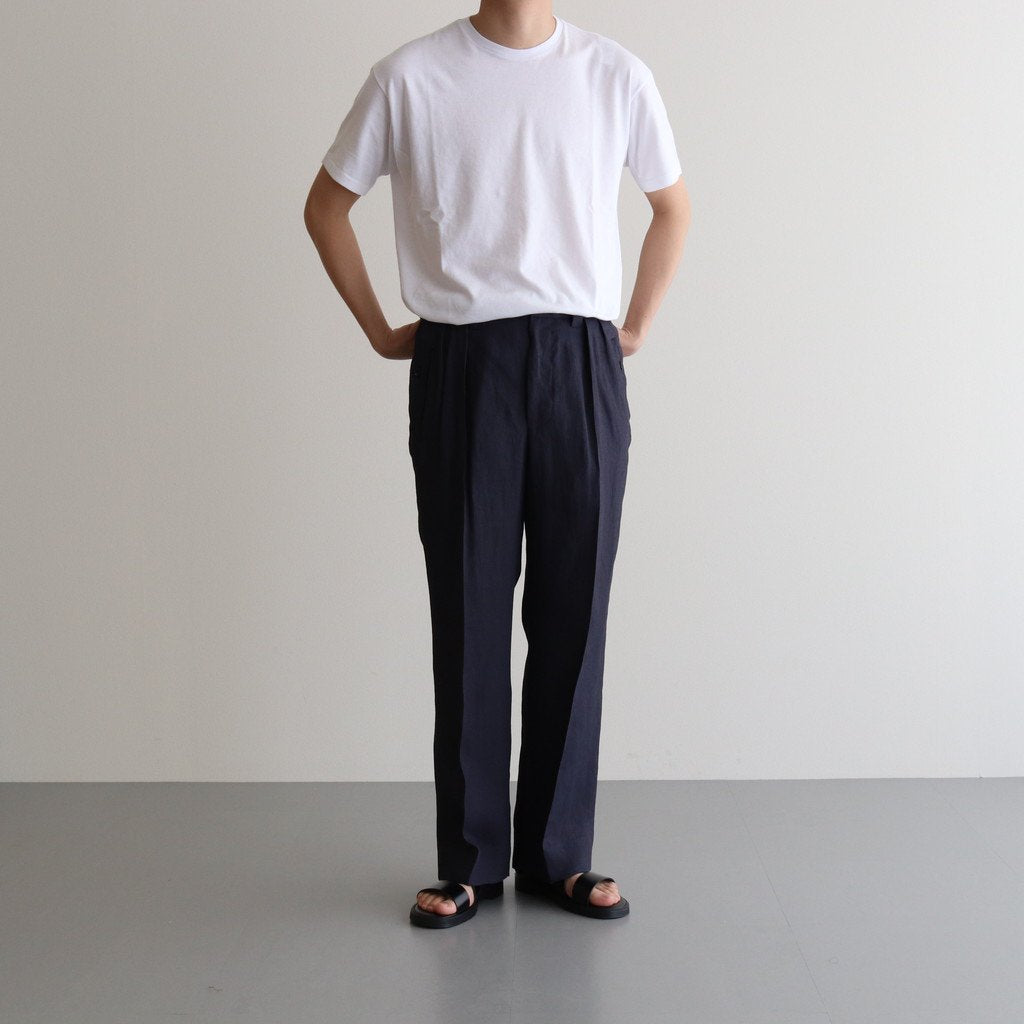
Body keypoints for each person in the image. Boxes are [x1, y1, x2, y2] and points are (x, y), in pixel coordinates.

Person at [304, 2, 691, 929]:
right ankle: (470, 860)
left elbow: (672, 204)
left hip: (580, 360)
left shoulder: (615, 75)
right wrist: (379, 330)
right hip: (463, 358)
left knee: (574, 611)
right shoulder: (409, 77)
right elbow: (325, 206)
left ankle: (561, 855)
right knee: (470, 610)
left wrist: (634, 324)